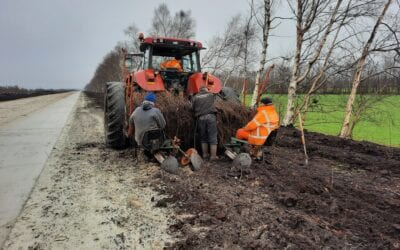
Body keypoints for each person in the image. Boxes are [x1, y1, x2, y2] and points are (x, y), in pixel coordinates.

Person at [192, 86, 218, 160]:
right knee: (212, 136)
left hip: (200, 118)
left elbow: (192, 108)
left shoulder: (195, 97)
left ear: (199, 90)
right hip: (211, 117)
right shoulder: (211, 95)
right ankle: (213, 156)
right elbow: (215, 104)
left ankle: (205, 155)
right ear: (206, 89)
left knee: (203, 137)